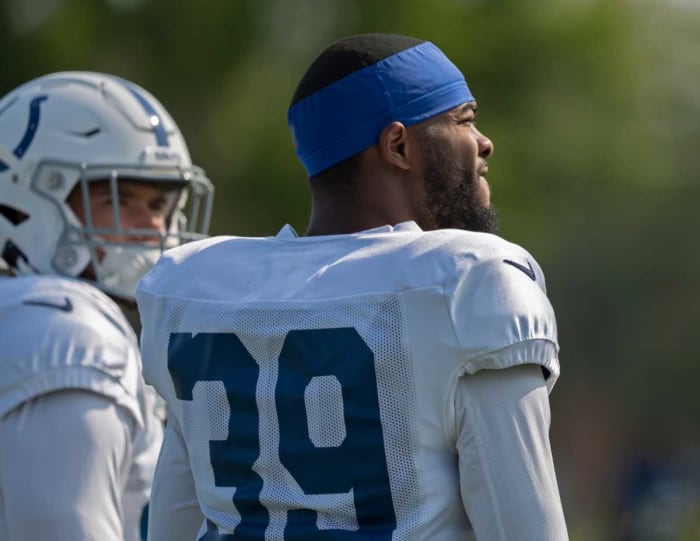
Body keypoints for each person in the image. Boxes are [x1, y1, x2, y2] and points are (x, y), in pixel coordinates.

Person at [137, 33, 569, 540]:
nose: (483, 141)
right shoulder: (466, 283)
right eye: (464, 119)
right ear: (398, 146)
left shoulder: (196, 292)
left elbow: (171, 527)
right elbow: (524, 528)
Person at [0, 71, 214, 541]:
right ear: (22, 205)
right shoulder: (63, 328)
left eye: (159, 203)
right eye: (119, 200)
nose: (155, 228)